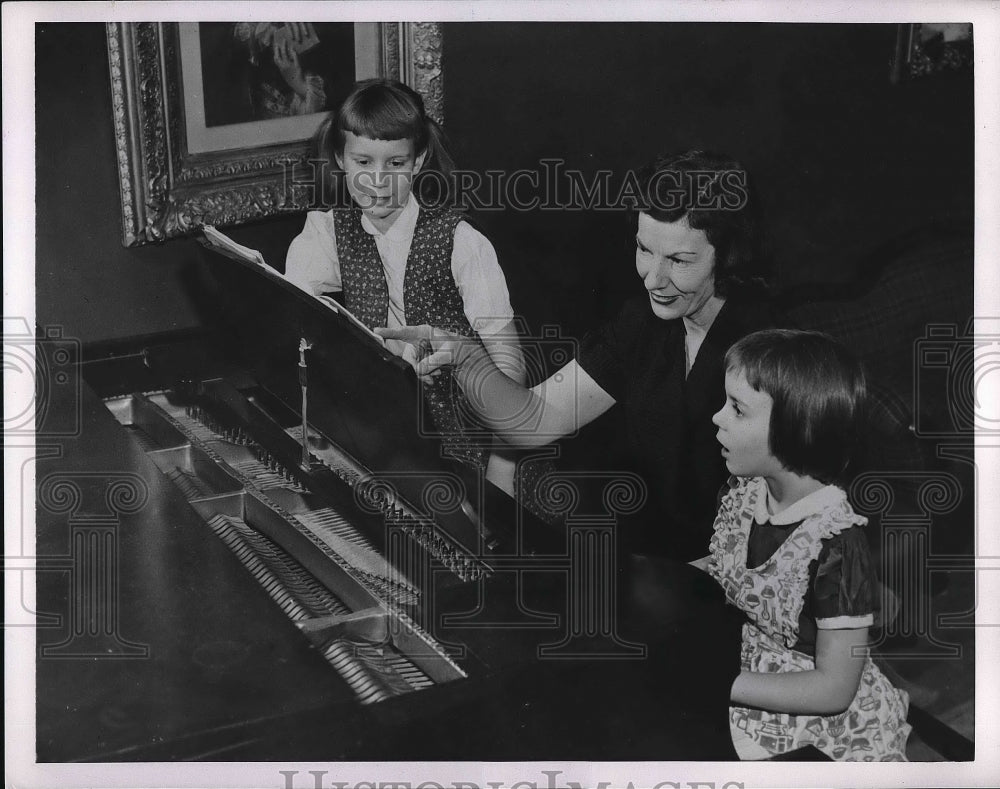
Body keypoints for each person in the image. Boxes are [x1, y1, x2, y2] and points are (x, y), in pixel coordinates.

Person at [380, 150, 775, 557]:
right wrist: (466, 358)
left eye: (678, 260)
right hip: (660, 563)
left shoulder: (769, 343)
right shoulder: (641, 322)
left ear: (725, 255)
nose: (653, 278)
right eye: (644, 250)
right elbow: (531, 421)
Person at [285, 78, 529, 499]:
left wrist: (502, 471)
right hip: (384, 443)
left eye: (395, 165)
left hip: (469, 448)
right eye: (363, 163)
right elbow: (291, 312)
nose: (378, 181)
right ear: (341, 159)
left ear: (418, 162)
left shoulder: (462, 242)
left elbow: (512, 371)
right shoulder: (328, 233)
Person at [693, 329, 911, 760]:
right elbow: (727, 566)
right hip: (747, 658)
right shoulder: (744, 491)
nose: (717, 417)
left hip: (812, 715)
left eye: (737, 409)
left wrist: (721, 682)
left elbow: (833, 689)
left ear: (797, 429)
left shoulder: (838, 546)